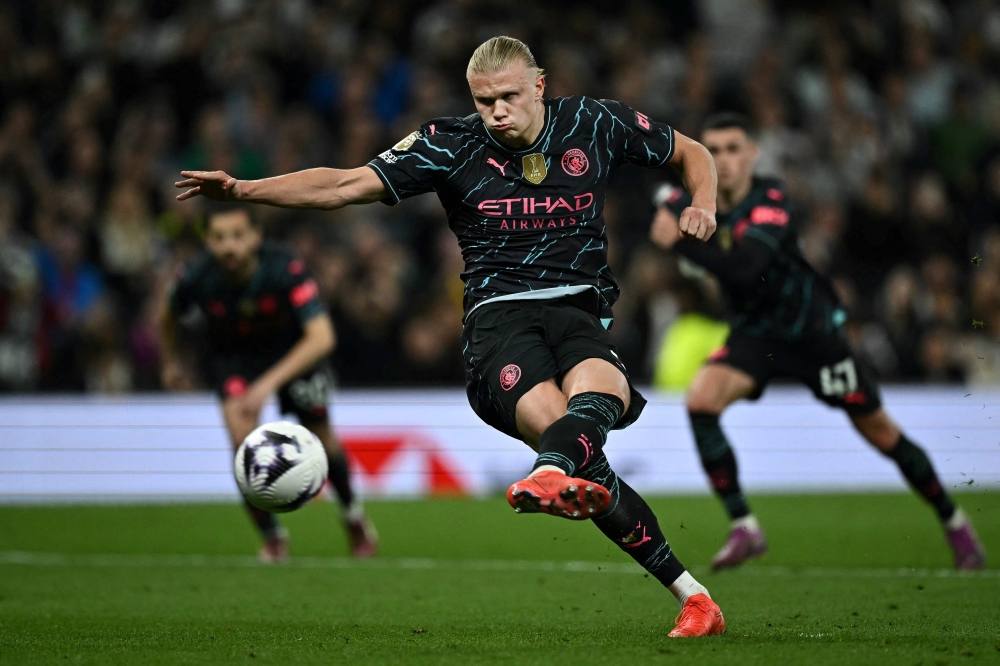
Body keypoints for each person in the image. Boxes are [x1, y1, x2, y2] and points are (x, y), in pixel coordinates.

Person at [175, 37, 725, 638]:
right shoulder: (449, 143)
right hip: (499, 321)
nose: (496, 112)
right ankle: (559, 471)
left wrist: (704, 201)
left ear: (539, 85)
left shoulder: (593, 122)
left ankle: (693, 598)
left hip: (579, 310)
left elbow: (690, 150)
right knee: (570, 435)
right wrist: (244, 190)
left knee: (599, 404)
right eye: (484, 100)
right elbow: (341, 186)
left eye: (509, 97)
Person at [650, 112, 986, 571]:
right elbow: (668, 215)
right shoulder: (698, 204)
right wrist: (669, 218)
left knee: (881, 432)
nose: (724, 160)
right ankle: (744, 526)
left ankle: (954, 522)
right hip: (754, 333)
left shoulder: (771, 198)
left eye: (733, 148)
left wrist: (679, 242)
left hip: (812, 334)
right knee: (701, 399)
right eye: (713, 150)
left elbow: (748, 268)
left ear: (752, 154)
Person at [160, 206, 378, 562]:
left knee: (323, 441)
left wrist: (265, 386)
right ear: (206, 240)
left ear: (256, 237)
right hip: (235, 359)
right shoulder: (197, 275)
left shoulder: (284, 267)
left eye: (237, 236)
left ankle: (353, 516)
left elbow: (321, 338)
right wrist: (169, 361)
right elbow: (167, 312)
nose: (229, 246)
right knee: (241, 443)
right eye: (218, 238)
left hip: (294, 354)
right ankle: (273, 537)